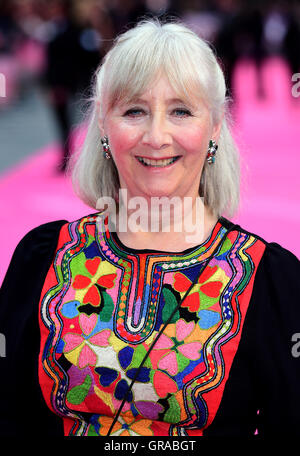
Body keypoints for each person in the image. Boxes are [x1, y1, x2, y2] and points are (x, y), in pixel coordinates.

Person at [0, 18, 299, 437]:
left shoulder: (269, 280)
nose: (156, 136)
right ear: (104, 126)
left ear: (214, 128)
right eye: (134, 111)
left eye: (181, 111)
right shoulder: (43, 257)